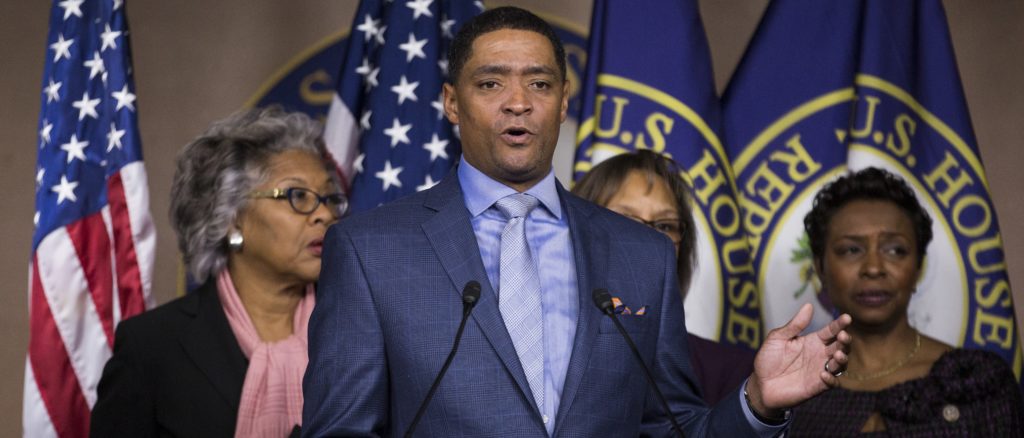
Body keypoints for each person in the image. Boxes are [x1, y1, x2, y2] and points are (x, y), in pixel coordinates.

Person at [303, 7, 851, 437]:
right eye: (491, 84)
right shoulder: (369, 250)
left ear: (564, 103)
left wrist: (756, 402)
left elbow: (675, 428)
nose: (518, 103)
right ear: (451, 102)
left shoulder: (642, 255)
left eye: (539, 84)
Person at [91, 107, 346, 437]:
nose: (324, 214)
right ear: (230, 217)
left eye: (329, 198)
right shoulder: (153, 347)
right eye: (298, 196)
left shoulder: (358, 332)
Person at [789, 167, 1023, 436]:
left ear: (918, 268)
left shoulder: (978, 382)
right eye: (851, 249)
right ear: (820, 268)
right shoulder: (792, 392)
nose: (874, 268)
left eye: (894, 250)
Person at [572, 150, 755, 406]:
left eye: (665, 227)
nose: (648, 240)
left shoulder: (733, 376)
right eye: (624, 220)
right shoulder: (537, 352)